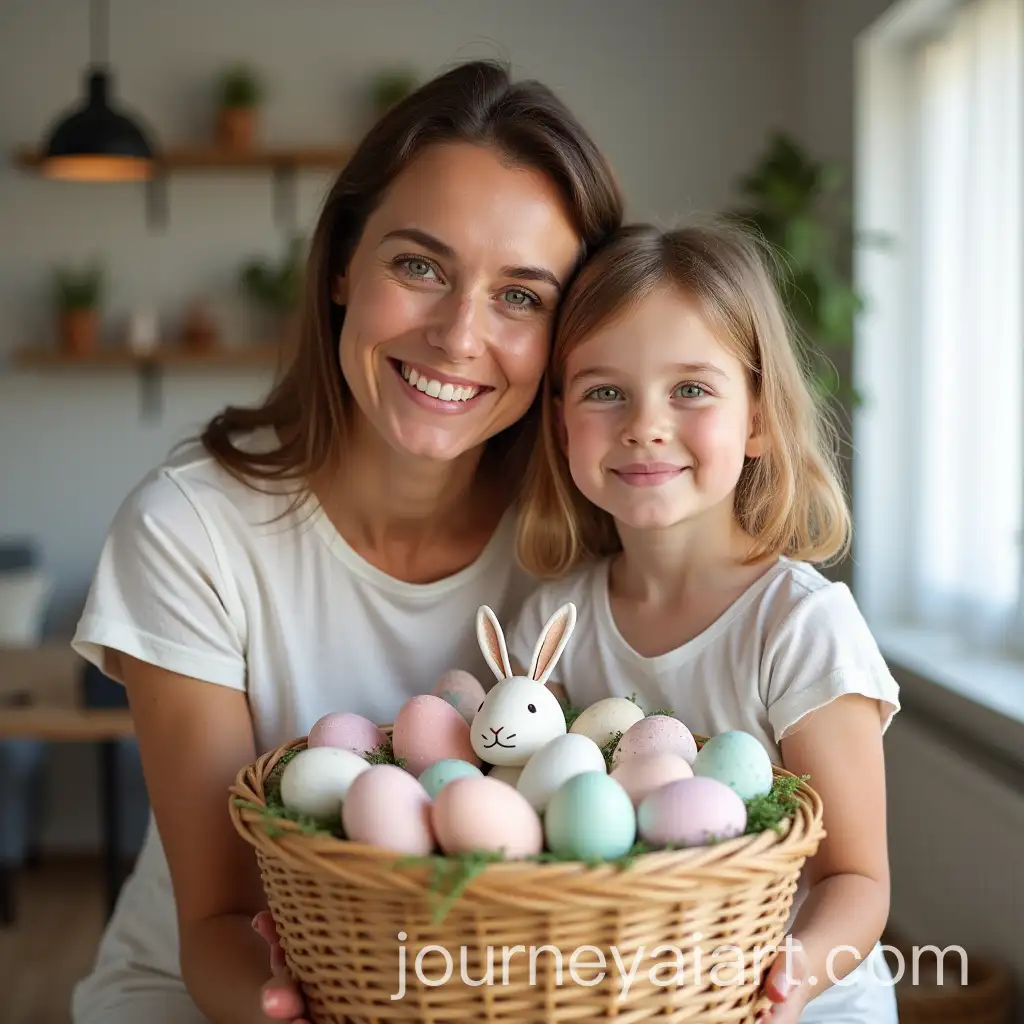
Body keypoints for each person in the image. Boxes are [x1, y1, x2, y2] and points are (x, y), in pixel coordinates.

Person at [69, 59, 623, 1024]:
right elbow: (217, 920)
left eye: (521, 297)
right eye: (421, 267)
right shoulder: (190, 532)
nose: (458, 336)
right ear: (340, 269)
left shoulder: (593, 542)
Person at [505, 222, 901, 1023]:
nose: (645, 424)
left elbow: (857, 883)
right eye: (604, 390)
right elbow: (521, 815)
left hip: (799, 1006)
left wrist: (781, 986)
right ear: (560, 425)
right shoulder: (552, 623)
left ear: (756, 418)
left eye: (690, 389)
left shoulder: (798, 626)